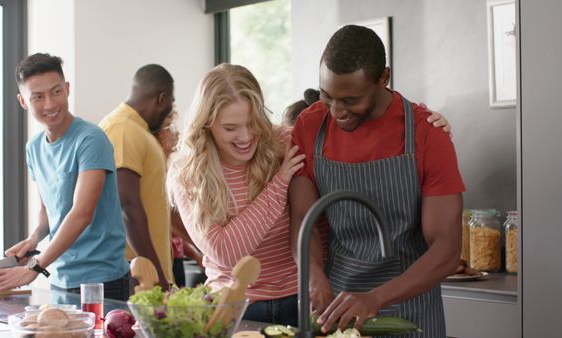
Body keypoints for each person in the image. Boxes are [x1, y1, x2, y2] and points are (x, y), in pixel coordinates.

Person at [289, 25, 465, 336]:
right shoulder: (310, 125)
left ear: (384, 78)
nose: (336, 111)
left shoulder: (427, 135)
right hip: (335, 307)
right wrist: (313, 276)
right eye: (327, 96)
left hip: (412, 309)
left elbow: (446, 248)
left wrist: (375, 298)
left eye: (350, 100)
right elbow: (304, 219)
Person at [167, 63, 306, 326]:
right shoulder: (187, 173)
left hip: (301, 301)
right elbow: (226, 253)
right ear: (206, 124)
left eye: (252, 123)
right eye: (231, 128)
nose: (245, 137)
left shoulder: (283, 144)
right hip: (236, 309)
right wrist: (280, 183)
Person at [0, 53, 131, 300]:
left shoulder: (91, 139)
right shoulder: (34, 147)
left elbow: (81, 213)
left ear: (67, 89)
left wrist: (35, 267)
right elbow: (50, 210)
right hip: (61, 278)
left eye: (55, 92)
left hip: (102, 280)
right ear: (23, 101)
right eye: (38, 97)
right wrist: (34, 238)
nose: (50, 104)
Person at [99, 64, 175, 289]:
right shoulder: (122, 129)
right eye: (170, 103)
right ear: (161, 98)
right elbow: (127, 206)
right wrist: (156, 275)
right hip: (135, 274)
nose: (170, 111)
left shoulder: (135, 129)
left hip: (144, 272)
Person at [153, 108, 205, 287]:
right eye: (170, 127)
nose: (176, 132)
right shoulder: (160, 171)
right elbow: (171, 221)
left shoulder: (168, 167)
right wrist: (201, 250)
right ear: (158, 134)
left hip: (175, 256)